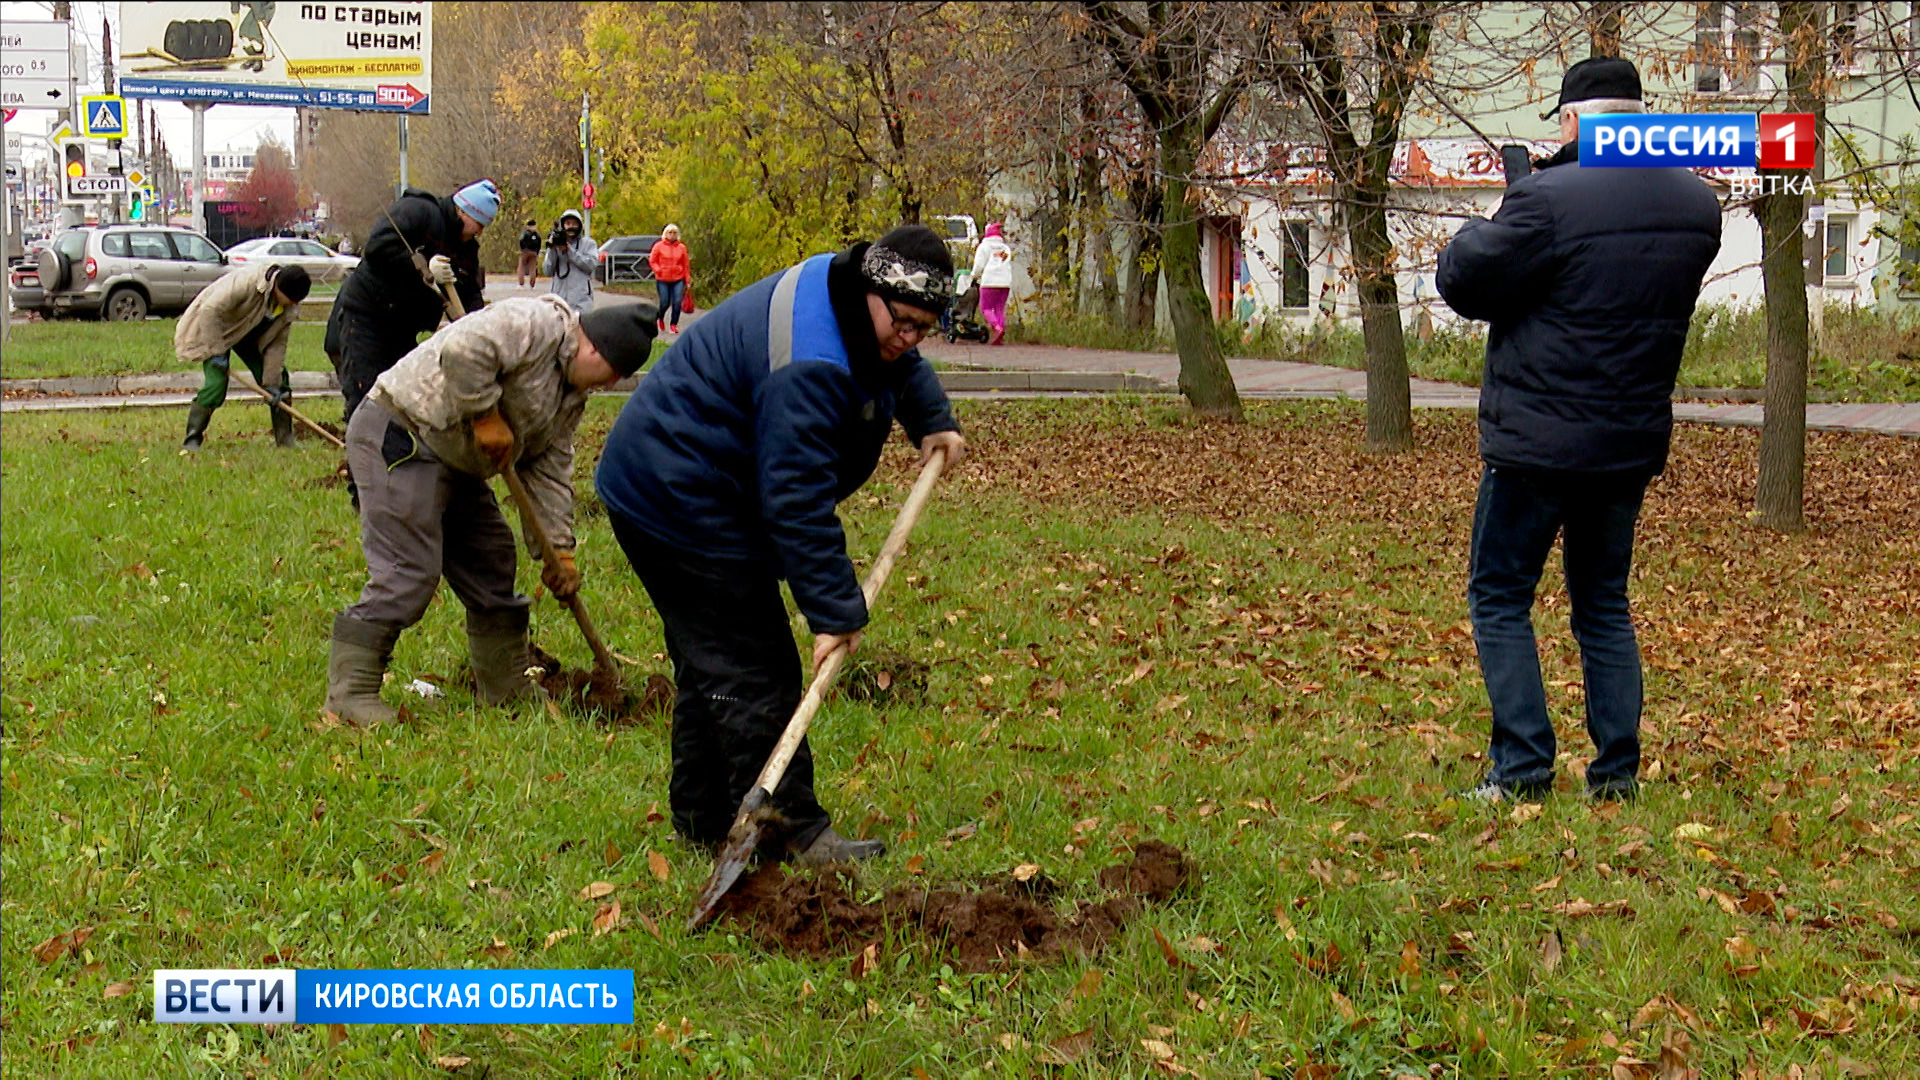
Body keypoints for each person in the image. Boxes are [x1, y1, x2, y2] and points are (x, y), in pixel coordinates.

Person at [595, 224, 968, 864]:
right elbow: (795, 497)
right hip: (677, 491)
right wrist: (834, 613)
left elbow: (896, 363)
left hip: (686, 479)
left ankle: (702, 817)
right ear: (870, 292)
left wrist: (931, 418)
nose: (908, 339)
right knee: (753, 663)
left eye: (923, 328)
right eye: (901, 321)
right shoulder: (812, 362)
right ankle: (788, 832)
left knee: (712, 660)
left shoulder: (851, 293)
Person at [1435, 57, 1722, 803]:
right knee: (1602, 602)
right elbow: (1605, 274)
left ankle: (1523, 768)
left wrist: (1507, 208)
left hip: (1535, 442)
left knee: (1499, 594)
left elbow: (1467, 280)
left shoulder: (1548, 203)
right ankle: (1616, 775)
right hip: (1625, 444)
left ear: (1571, 122)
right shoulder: (1697, 206)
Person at [323, 296, 659, 725]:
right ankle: (349, 695)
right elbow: (463, 350)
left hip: (456, 459)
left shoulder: (570, 397)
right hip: (402, 430)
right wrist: (484, 415)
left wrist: (560, 553)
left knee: (493, 561)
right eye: (613, 374)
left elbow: (550, 471)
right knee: (408, 571)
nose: (608, 386)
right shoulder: (533, 323)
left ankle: (504, 687)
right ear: (594, 349)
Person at [326, 179, 497, 425]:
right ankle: (361, 456)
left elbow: (469, 295)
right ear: (463, 210)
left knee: (400, 396)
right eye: (479, 224)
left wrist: (479, 329)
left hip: (403, 327)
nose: (479, 232)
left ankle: (393, 457)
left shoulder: (466, 249)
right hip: (366, 315)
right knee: (366, 394)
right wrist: (424, 267)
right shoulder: (418, 211)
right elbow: (376, 248)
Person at [175, 262, 312, 452]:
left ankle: (285, 440)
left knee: (280, 381)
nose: (293, 304)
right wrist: (217, 352)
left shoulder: (288, 307)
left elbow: (277, 345)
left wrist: (271, 382)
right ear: (278, 288)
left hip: (249, 335)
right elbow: (210, 310)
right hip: (216, 331)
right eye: (291, 299)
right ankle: (192, 439)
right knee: (216, 384)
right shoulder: (247, 282)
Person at [544, 209, 598, 313]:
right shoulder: (556, 245)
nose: (571, 227)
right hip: (559, 300)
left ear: (580, 225)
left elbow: (591, 265)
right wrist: (552, 249)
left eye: (574, 224)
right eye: (568, 223)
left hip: (581, 301)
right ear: (562, 225)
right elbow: (547, 271)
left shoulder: (588, 244)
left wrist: (570, 251)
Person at [970, 222, 1014, 346]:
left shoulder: (984, 247)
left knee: (986, 308)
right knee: (999, 308)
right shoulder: (1005, 248)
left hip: (989, 282)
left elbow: (979, 265)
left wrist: (973, 276)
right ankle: (1001, 328)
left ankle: (996, 328)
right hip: (1005, 282)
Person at [647, 223, 691, 333]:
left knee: (677, 302)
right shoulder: (658, 246)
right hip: (663, 278)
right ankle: (660, 318)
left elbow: (685, 264)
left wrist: (687, 279)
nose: (672, 235)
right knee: (665, 302)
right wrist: (658, 269)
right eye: (670, 232)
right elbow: (652, 260)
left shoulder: (681, 248)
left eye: (674, 233)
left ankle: (673, 324)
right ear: (665, 234)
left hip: (678, 278)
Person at [517, 218, 541, 287]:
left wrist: (522, 249)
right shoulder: (537, 235)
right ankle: (532, 284)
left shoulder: (525, 233)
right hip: (534, 252)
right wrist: (537, 252)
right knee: (532, 268)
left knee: (521, 267)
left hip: (525, 251)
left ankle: (521, 283)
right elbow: (539, 244)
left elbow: (521, 240)